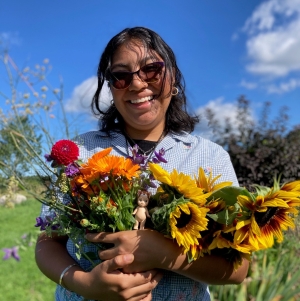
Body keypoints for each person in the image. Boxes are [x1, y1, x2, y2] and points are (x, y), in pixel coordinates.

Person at [35, 26, 249, 301]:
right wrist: (86, 284)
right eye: (120, 76)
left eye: (151, 70)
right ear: (110, 88)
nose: (137, 84)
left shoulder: (211, 159)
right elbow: (48, 241)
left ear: (173, 78)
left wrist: (165, 255)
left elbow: (238, 268)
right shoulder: (80, 152)